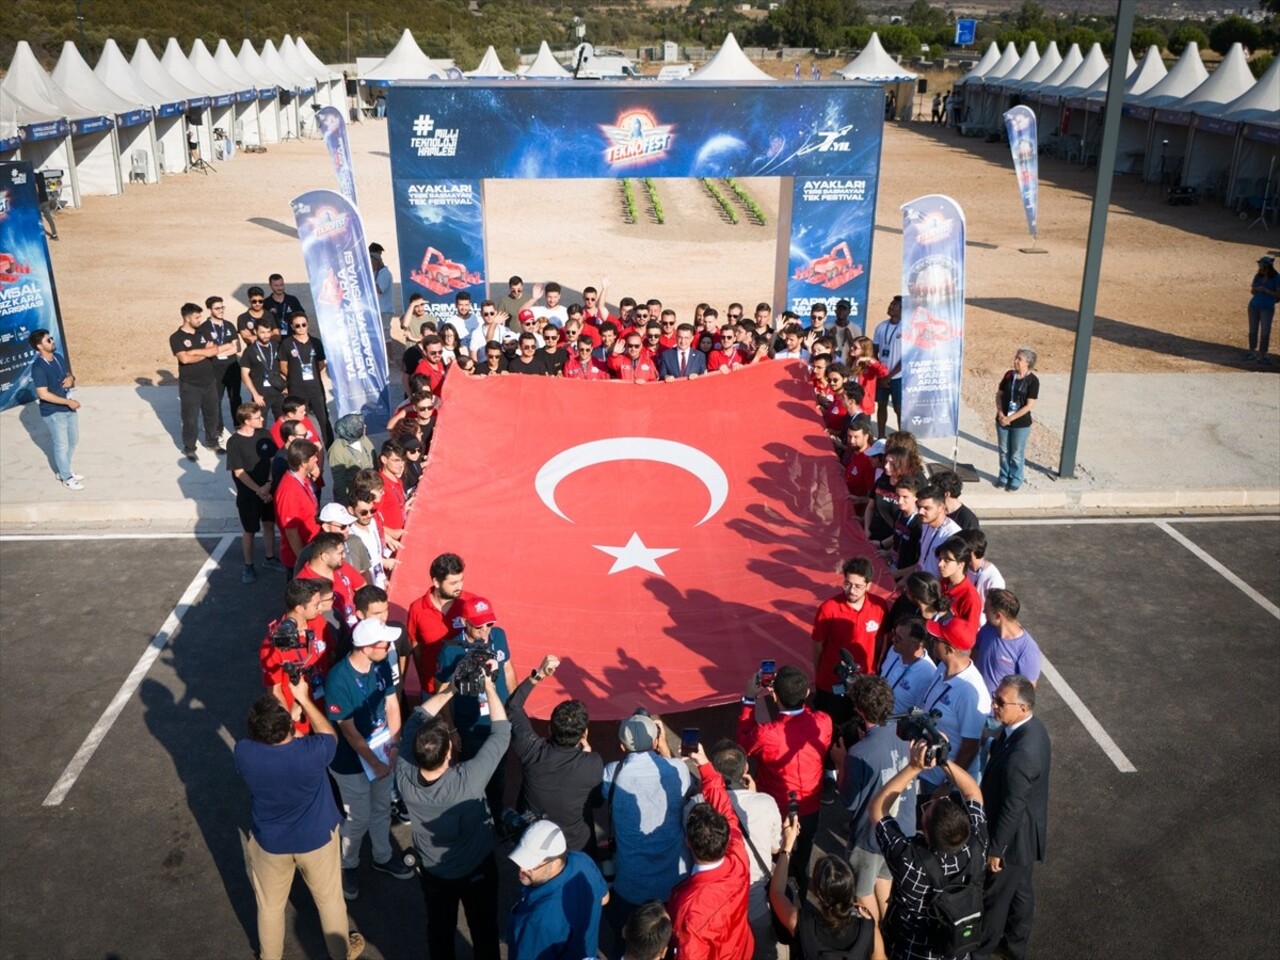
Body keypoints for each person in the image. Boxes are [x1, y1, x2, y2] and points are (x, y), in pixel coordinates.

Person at [233, 685, 365, 960]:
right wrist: (303, 699)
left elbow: (274, 739)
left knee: (269, 907)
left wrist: (284, 714)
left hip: (270, 843)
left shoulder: (244, 752)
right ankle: (340, 952)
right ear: (288, 726)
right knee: (329, 901)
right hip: (316, 839)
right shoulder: (313, 752)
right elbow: (329, 735)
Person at [396, 671, 509, 960]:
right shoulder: (467, 779)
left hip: (434, 873)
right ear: (448, 754)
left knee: (440, 931)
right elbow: (502, 731)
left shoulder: (404, 773)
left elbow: (417, 716)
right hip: (476, 870)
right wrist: (487, 686)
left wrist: (450, 690)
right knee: (484, 931)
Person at [871, 740, 988, 960]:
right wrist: (944, 761)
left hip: (912, 950)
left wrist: (914, 767)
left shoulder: (911, 862)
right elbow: (973, 792)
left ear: (926, 833)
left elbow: (878, 809)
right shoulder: (977, 846)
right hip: (957, 948)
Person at [326, 617, 416, 900]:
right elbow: (349, 731)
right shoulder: (338, 679)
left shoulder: (381, 666)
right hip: (351, 761)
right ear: (366, 647)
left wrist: (394, 743)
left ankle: (382, 856)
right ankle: (347, 864)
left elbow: (392, 703)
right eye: (384, 642)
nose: (390, 646)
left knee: (380, 808)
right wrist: (376, 761)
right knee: (358, 816)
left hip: (382, 750)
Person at [738, 666, 832, 897]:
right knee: (803, 855)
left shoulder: (767, 733)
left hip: (776, 807)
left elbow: (743, 742)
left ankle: (776, 893)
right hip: (810, 805)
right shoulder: (823, 721)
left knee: (773, 856)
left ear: (774, 695)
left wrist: (749, 700)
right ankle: (800, 886)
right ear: (807, 693)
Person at [975, 676, 1050, 960]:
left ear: (1021, 707)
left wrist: (996, 849)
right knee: (1020, 892)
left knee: (994, 898)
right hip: (1025, 836)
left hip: (1012, 840)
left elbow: (1012, 807)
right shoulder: (1032, 728)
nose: (993, 705)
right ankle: (1016, 945)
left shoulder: (1023, 754)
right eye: (995, 697)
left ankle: (981, 951)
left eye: (1000, 702)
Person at [602, 710, 691, 943]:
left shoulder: (612, 772)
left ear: (622, 746)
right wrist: (664, 748)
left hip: (631, 884)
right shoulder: (677, 770)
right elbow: (678, 775)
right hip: (674, 881)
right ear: (655, 739)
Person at [834, 674, 914, 927]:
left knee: (861, 893)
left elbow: (850, 802)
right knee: (885, 883)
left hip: (870, 837)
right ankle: (888, 932)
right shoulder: (905, 736)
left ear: (859, 709)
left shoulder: (859, 752)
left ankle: (875, 941)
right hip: (901, 830)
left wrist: (839, 762)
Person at [507, 655, 604, 854]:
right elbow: (596, 801)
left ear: (550, 728)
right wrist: (586, 756)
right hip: (576, 846)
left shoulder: (531, 750)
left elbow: (513, 706)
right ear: (584, 733)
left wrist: (539, 675)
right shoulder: (592, 763)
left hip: (534, 841)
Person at [667, 743, 754, 960]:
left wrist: (705, 765)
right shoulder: (738, 858)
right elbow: (725, 808)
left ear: (688, 841)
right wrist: (705, 765)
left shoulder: (690, 907)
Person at [710, 740, 780, 960]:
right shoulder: (765, 803)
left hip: (718, 907)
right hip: (756, 904)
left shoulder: (698, 804)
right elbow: (775, 846)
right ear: (745, 769)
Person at [507, 819, 610, 960]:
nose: (522, 869)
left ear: (555, 863)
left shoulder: (539, 920)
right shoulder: (582, 860)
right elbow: (604, 898)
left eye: (531, 864)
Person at [812, 556, 889, 731]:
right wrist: (820, 674)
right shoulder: (828, 609)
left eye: (858, 586)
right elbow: (818, 646)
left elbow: (880, 640)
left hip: (865, 683)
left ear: (869, 585)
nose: (851, 590)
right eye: (847, 584)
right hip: (832, 683)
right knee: (830, 728)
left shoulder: (880, 607)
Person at [769, 843, 881, 960]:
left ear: (818, 893)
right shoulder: (867, 929)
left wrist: (786, 849)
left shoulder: (800, 923)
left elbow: (776, 892)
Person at [918, 618, 990, 791]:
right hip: (928, 771)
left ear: (949, 649)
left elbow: (970, 746)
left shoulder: (970, 693)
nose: (931, 642)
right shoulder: (943, 668)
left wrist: (948, 784)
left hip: (945, 784)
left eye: (936, 640)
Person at [227, 403, 282, 583]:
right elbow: (239, 472)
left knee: (268, 524)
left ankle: (270, 558)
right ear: (247, 421)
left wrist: (268, 483)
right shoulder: (234, 442)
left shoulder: (265, 435)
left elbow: (273, 460)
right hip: (249, 495)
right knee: (249, 530)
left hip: (267, 488)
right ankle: (248, 565)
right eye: (258, 418)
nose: (262, 419)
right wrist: (259, 490)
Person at [27, 328, 83, 490]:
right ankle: (66, 477)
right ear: (39, 346)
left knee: (73, 440)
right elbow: (43, 395)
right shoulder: (38, 368)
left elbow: (68, 374)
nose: (52, 341)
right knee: (61, 444)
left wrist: (71, 378)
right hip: (53, 412)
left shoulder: (58, 358)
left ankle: (64, 469)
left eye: (51, 338)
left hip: (68, 407)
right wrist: (68, 403)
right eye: (48, 340)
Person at [171, 301, 222, 461]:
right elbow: (184, 359)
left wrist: (195, 351)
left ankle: (212, 442)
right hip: (190, 385)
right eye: (197, 317)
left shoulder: (203, 332)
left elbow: (215, 350)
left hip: (209, 381)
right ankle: (190, 448)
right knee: (190, 418)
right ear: (187, 318)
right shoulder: (176, 337)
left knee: (212, 414)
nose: (200, 320)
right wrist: (205, 353)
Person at [973, 590, 1042, 697]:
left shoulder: (1028, 649)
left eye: (986, 609)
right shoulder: (987, 630)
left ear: (998, 616)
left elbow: (1026, 693)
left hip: (995, 710)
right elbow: (975, 656)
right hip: (973, 700)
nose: (983, 612)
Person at [279, 312, 332, 447]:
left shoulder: (316, 342)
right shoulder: (287, 344)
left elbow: (320, 363)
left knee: (323, 419)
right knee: (299, 420)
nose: (301, 328)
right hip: (296, 390)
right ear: (292, 326)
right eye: (297, 326)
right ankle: (303, 446)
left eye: (304, 324)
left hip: (315, 389)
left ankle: (328, 446)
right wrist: (295, 377)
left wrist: (311, 374)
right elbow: (283, 366)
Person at [994, 348, 1039, 492]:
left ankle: (1016, 478)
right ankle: (1003, 476)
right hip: (1002, 420)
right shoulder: (1008, 375)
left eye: (1020, 359)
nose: (1016, 361)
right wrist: (1001, 414)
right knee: (1003, 451)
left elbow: (1029, 405)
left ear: (1028, 363)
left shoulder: (1033, 380)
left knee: (1016, 454)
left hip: (1020, 424)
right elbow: (999, 395)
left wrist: (1011, 418)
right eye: (1016, 357)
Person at [274, 439, 321, 573]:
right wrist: (303, 562)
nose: (317, 460)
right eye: (313, 458)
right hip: (298, 558)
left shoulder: (303, 479)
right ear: (303, 463)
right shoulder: (289, 491)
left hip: (310, 547)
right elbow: (291, 533)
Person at [202, 295, 242, 437]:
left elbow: (237, 348)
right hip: (214, 368)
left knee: (235, 398)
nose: (221, 310)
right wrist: (224, 348)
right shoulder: (204, 328)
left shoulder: (229, 325)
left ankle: (239, 424)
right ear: (209, 310)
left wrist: (217, 350)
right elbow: (207, 351)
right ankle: (218, 428)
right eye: (217, 308)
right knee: (216, 399)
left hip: (232, 366)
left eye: (222, 307)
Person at [879, 618, 936, 714]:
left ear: (916, 645)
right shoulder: (894, 650)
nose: (893, 639)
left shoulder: (928, 674)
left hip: (895, 726)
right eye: (894, 635)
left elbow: (921, 712)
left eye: (898, 638)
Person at [240, 319, 286, 422]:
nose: (266, 335)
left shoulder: (276, 347)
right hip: (261, 396)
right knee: (260, 424)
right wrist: (255, 395)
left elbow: (283, 367)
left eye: (268, 332)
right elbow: (244, 375)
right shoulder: (249, 351)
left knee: (283, 424)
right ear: (255, 332)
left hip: (279, 393)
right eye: (262, 332)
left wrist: (285, 386)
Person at [934, 537, 982, 635]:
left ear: (961, 564)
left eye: (947, 560)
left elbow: (969, 637)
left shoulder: (970, 598)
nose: (940, 564)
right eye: (940, 559)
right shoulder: (942, 582)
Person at [871, 297, 903, 437]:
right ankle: (881, 436)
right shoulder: (881, 326)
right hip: (882, 375)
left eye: (895, 305)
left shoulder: (907, 328)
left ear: (903, 310)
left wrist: (889, 376)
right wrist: (880, 371)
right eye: (891, 304)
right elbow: (874, 350)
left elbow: (907, 357)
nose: (890, 306)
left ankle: (902, 437)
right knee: (882, 405)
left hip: (898, 376)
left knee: (898, 408)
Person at [328, 414, 375, 509]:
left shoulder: (363, 439)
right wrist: (344, 506)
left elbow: (374, 460)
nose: (363, 426)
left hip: (371, 490)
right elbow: (339, 482)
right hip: (353, 496)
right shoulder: (337, 450)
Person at [1245, 254, 1278, 363]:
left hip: (1267, 308)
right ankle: (1252, 352)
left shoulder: (1276, 278)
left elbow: (1278, 295)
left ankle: (1263, 354)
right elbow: (1252, 291)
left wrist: (1265, 290)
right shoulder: (1258, 276)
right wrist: (1256, 289)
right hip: (1254, 306)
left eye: (1261, 265)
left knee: (1265, 332)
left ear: (1266, 267)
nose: (1259, 267)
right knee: (1253, 330)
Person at [369, 243, 395, 335]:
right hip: (377, 310)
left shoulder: (384, 272)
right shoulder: (375, 272)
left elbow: (380, 290)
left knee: (385, 338)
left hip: (384, 310)